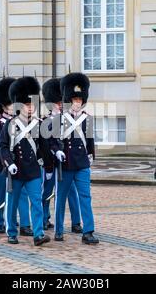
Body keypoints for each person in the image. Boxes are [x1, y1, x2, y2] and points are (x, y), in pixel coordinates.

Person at [0, 76, 51, 246]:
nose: (30, 108)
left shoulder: (38, 124)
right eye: (27, 105)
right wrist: (9, 163)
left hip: (34, 170)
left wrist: (49, 167)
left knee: (36, 202)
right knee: (12, 204)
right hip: (16, 170)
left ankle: (38, 234)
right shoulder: (10, 124)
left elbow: (44, 147)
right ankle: (12, 232)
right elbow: (3, 147)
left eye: (32, 104)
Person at [50, 72, 99, 245]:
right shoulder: (60, 119)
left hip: (82, 164)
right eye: (75, 100)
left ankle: (88, 231)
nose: (77, 103)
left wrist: (92, 155)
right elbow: (53, 140)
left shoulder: (88, 119)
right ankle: (58, 230)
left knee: (85, 197)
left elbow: (90, 140)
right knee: (61, 197)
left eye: (80, 100)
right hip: (66, 163)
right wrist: (57, 151)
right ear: (70, 100)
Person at [0, 77, 32, 235]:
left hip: (20, 162)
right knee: (1, 193)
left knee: (22, 194)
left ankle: (25, 224)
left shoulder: (23, 121)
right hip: (3, 162)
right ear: (3, 106)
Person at [41, 78, 82, 233]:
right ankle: (45, 218)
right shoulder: (45, 121)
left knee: (72, 194)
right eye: (57, 102)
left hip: (66, 162)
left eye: (61, 102)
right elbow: (44, 144)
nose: (59, 105)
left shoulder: (69, 120)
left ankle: (76, 222)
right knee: (46, 191)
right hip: (51, 162)